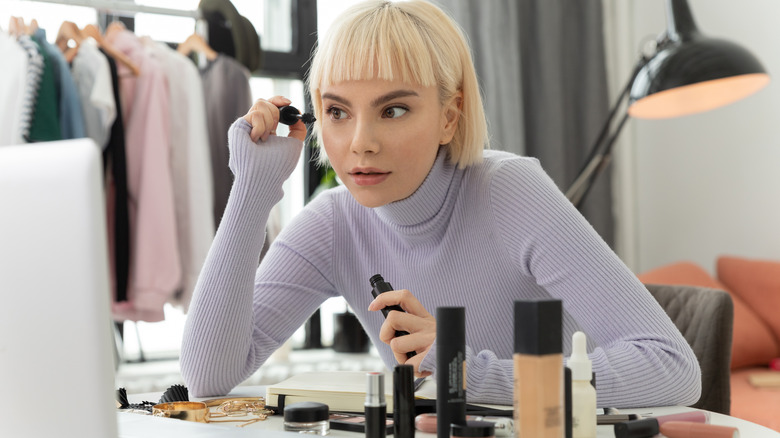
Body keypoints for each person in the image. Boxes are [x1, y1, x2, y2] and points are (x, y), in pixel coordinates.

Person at [181, 0, 701, 408]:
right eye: (337, 111)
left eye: (395, 109)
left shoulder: (511, 192)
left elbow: (673, 367)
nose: (361, 142)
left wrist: (468, 371)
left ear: (449, 117)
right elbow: (206, 375)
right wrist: (252, 190)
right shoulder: (332, 223)